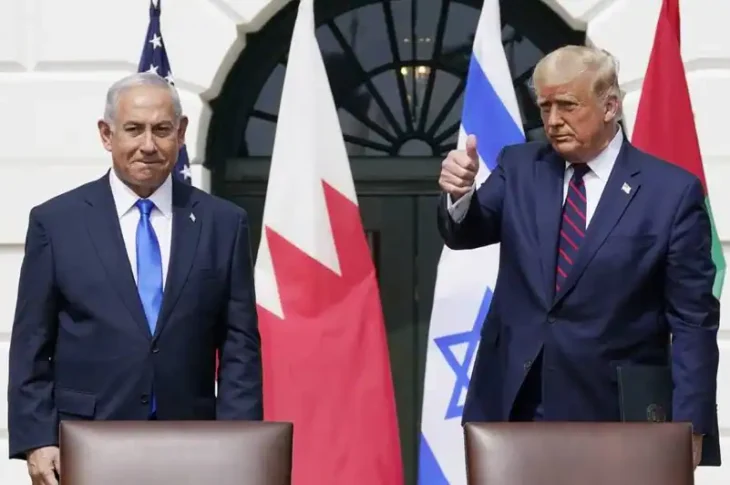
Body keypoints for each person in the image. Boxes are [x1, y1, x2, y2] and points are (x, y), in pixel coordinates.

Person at [438, 45, 719, 469]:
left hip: (617, 417)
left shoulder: (671, 193)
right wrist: (459, 195)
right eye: (544, 106)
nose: (553, 121)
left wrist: (690, 427)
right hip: (513, 411)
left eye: (567, 105)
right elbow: (467, 232)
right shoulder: (520, 167)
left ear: (610, 106)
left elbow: (693, 321)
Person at [7, 72, 263, 484]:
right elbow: (31, 345)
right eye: (133, 129)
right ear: (106, 135)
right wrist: (37, 438)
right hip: (85, 444)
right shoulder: (56, 223)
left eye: (161, 130)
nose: (148, 145)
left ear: (181, 133)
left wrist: (240, 443)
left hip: (193, 446)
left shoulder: (223, 223)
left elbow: (240, 348)